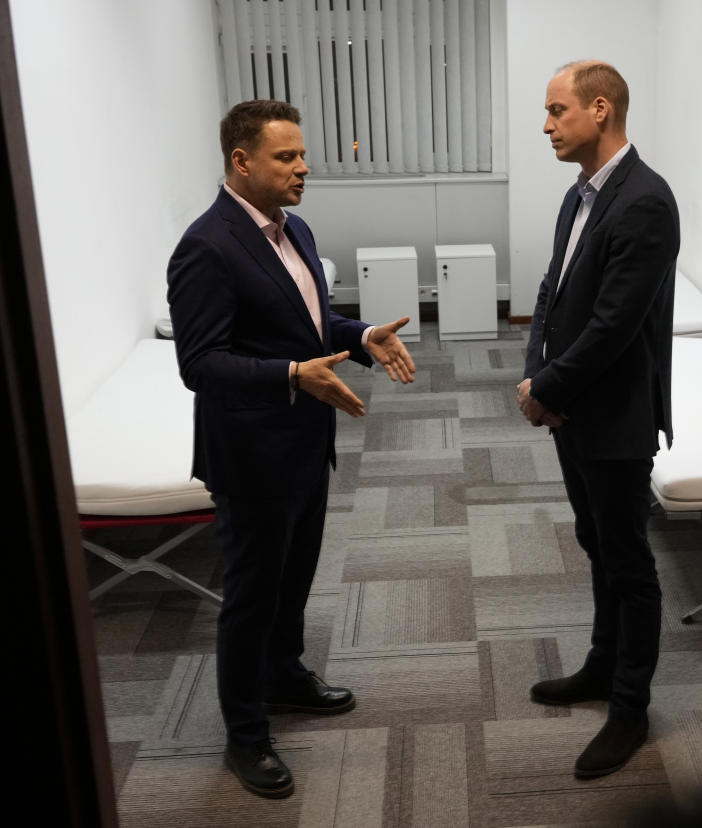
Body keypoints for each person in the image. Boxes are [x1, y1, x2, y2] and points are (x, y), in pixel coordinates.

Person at [167, 99, 415, 799]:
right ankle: (245, 733)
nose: (303, 167)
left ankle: (285, 675)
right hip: (249, 452)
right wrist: (289, 376)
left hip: (306, 440)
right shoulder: (206, 245)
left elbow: (309, 322)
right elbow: (201, 363)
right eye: (286, 157)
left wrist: (360, 336)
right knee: (251, 592)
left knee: (295, 572)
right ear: (241, 161)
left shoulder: (294, 228)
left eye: (303, 155)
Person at [518, 61, 679, 778]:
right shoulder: (578, 197)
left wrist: (546, 386)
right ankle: (600, 664)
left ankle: (629, 708)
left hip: (613, 415)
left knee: (628, 561)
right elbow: (552, 292)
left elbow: (615, 325)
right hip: (572, 409)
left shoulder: (644, 201)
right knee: (597, 542)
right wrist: (536, 373)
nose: (547, 126)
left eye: (557, 111)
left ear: (601, 109)